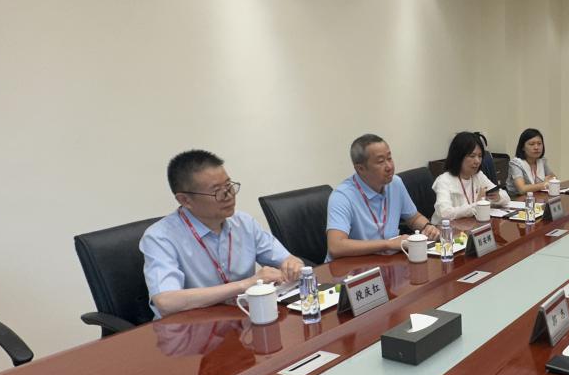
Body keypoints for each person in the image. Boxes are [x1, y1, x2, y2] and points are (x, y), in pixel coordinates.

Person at [140, 149, 306, 318]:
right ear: (185, 200)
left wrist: (293, 265)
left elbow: (287, 260)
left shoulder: (244, 223)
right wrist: (245, 285)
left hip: (242, 319)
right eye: (217, 191)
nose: (229, 195)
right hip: (191, 327)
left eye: (229, 186)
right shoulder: (160, 237)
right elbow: (166, 302)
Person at [327, 134, 439, 258]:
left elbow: (413, 218)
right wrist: (388, 244)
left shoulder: (395, 183)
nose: (389, 166)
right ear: (360, 168)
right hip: (352, 265)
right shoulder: (342, 197)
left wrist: (428, 227)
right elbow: (336, 246)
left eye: (389, 158)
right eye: (380, 162)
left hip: (386, 260)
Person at [432, 131, 510, 222]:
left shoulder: (478, 176)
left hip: (472, 225)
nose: (477, 161)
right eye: (472, 156)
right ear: (458, 157)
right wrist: (477, 204)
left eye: (480, 156)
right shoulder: (444, 180)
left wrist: (498, 197)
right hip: (447, 229)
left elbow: (506, 198)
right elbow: (444, 213)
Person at [507, 128, 557, 196]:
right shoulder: (516, 164)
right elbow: (522, 189)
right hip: (517, 199)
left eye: (539, 144)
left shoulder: (541, 161)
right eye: (531, 144)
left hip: (538, 197)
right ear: (523, 147)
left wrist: (549, 181)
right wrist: (544, 184)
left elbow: (554, 179)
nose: (536, 147)